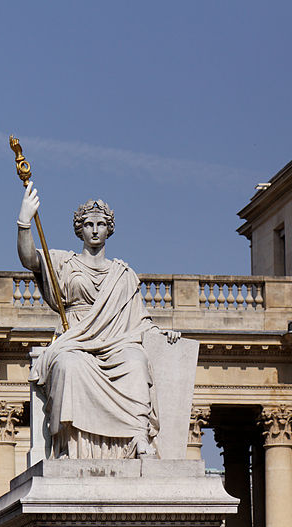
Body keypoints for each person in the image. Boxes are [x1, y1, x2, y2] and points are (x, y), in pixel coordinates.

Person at [17, 182, 179, 459]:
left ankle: (138, 436)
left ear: (109, 229)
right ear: (79, 229)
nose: (94, 229)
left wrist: (160, 334)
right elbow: (30, 258)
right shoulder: (64, 262)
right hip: (76, 340)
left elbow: (139, 319)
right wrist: (24, 222)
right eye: (89, 224)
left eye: (100, 224)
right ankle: (70, 441)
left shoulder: (123, 274)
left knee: (136, 362)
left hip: (116, 341)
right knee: (68, 365)